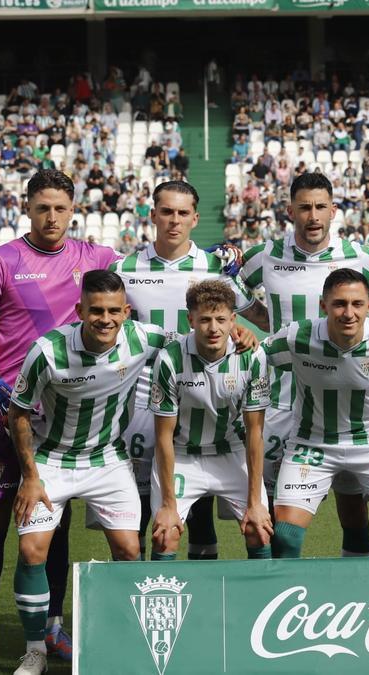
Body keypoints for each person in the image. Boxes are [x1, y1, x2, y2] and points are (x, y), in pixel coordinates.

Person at [0, 169, 119, 670]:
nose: (52, 217)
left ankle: (52, 626)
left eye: (61, 208)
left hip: (64, 415)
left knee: (55, 522)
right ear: (27, 206)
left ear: (74, 210)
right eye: (43, 206)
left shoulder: (96, 259)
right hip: (3, 413)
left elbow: (153, 283)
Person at [240, 172, 369, 558]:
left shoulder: (357, 255)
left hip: (344, 402)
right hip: (277, 402)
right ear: (290, 211)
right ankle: (272, 595)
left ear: (333, 211)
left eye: (320, 207)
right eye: (304, 208)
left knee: (353, 507)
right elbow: (227, 289)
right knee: (269, 516)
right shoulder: (265, 255)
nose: (312, 216)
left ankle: (353, 584)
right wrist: (260, 320)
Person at [8, 270, 162, 675]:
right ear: (80, 311)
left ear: (127, 312)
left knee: (129, 551)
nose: (105, 319)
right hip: (53, 461)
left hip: (108, 459)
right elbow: (18, 412)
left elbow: (196, 341)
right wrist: (30, 476)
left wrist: (239, 333)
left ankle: (125, 641)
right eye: (96, 311)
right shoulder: (48, 350)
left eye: (114, 311)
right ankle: (35, 649)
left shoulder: (143, 338)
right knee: (31, 551)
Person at [110, 180, 269, 560]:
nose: (174, 221)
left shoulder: (215, 266)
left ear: (195, 218)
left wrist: (243, 331)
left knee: (199, 509)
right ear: (153, 215)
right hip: (141, 400)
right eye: (166, 212)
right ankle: (142, 593)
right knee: (149, 512)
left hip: (205, 394)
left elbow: (255, 315)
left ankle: (204, 593)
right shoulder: (125, 268)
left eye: (183, 213)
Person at [262, 268, 369, 558]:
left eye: (357, 304)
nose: (348, 313)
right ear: (324, 305)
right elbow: (256, 357)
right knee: (286, 537)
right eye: (339, 304)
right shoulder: (297, 337)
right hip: (312, 444)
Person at [145, 280, 273, 561]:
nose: (213, 328)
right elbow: (163, 437)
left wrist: (255, 503)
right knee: (166, 534)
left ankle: (260, 601)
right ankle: (166, 599)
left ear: (233, 320)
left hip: (231, 452)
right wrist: (168, 504)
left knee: (259, 528)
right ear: (190, 319)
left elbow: (255, 433)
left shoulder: (252, 356)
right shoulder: (170, 359)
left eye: (220, 319)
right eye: (204, 320)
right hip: (181, 455)